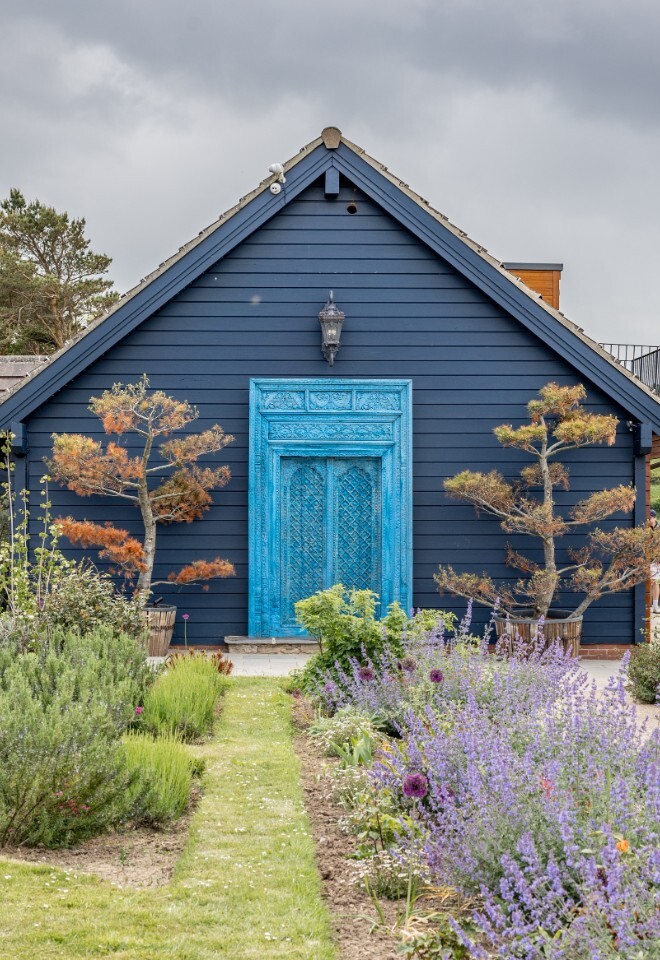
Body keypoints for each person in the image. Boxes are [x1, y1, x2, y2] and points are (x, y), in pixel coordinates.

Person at [650, 509, 660, 614]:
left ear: (654, 517)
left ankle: (655, 606)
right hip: (645, 559)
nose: (649, 519)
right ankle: (650, 605)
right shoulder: (645, 527)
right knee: (650, 582)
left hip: (656, 559)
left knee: (655, 582)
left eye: (651, 517)